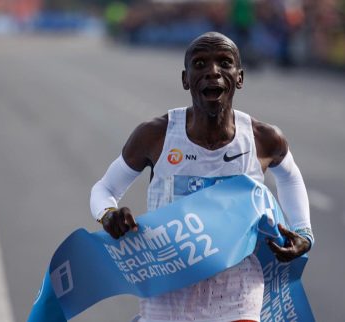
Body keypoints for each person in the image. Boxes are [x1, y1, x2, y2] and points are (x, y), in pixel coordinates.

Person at [90, 31, 313, 322]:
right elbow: (105, 188)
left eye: (224, 63)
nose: (212, 72)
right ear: (185, 79)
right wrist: (108, 215)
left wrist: (304, 233)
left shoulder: (262, 139)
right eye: (200, 64)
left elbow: (290, 177)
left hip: (238, 288)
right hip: (168, 288)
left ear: (240, 77)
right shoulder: (156, 135)